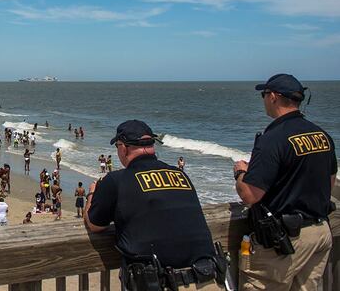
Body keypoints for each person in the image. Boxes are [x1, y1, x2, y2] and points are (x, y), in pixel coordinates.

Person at [84, 120, 224, 290]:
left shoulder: (116, 180)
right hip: (207, 279)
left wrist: (92, 192)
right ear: (152, 145)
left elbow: (95, 224)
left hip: (158, 282)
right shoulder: (179, 175)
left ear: (123, 147)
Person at [234, 74, 336, 290]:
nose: (263, 100)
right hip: (320, 231)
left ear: (273, 97)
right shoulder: (321, 135)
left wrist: (241, 173)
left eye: (263, 94)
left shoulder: (272, 139)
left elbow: (250, 195)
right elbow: (329, 181)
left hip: (284, 241)